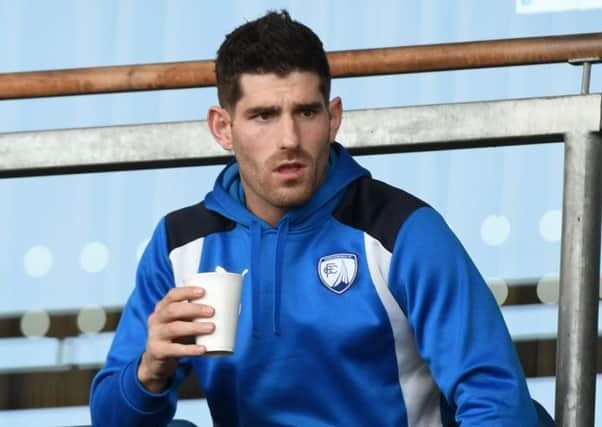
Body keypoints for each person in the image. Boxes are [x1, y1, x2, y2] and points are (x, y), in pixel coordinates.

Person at [90, 10, 543, 426]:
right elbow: (109, 417)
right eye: (263, 115)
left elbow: (497, 401)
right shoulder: (181, 244)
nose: (289, 138)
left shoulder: (403, 231)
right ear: (222, 128)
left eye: (306, 112)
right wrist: (150, 371)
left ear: (333, 118)